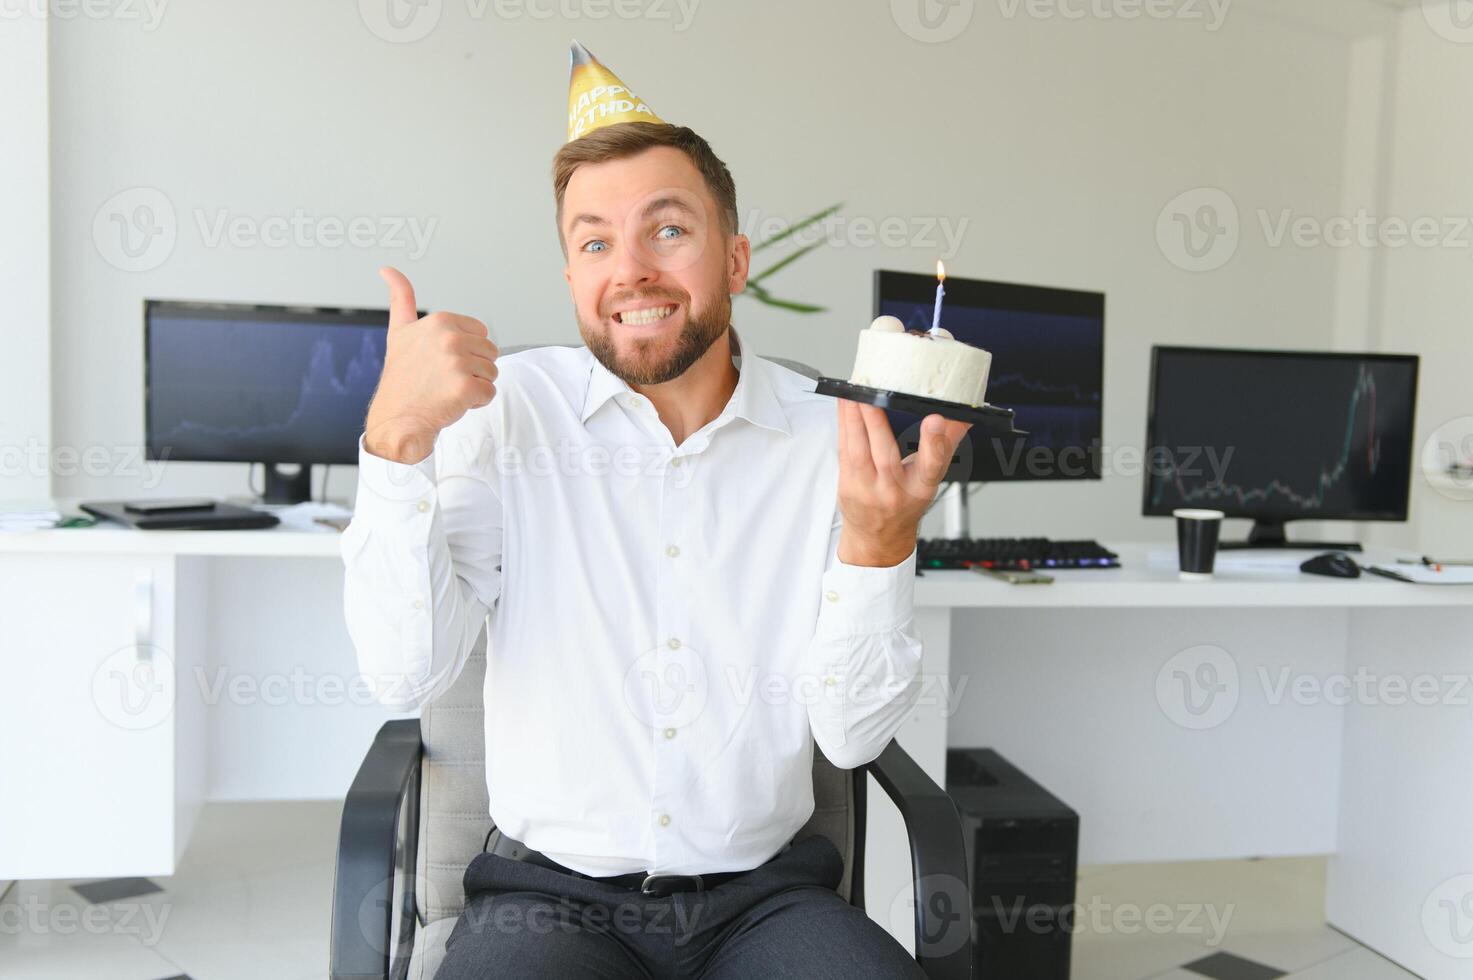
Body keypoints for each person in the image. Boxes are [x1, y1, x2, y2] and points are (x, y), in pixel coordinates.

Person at [341, 41, 972, 979]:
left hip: (767, 900)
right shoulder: (505, 415)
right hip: (546, 899)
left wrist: (880, 546)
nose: (629, 269)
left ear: (736, 257)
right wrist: (394, 448)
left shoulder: (828, 436)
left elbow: (852, 738)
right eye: (594, 241)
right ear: (571, 281)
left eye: (667, 230)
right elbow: (404, 676)